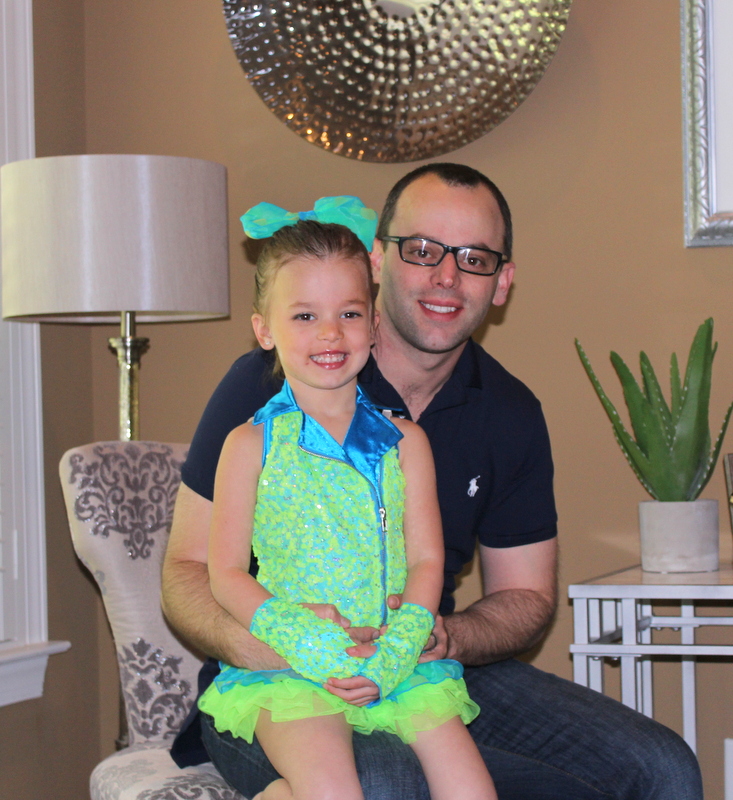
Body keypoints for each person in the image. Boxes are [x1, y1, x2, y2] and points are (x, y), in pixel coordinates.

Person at [163, 163, 703, 799]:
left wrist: (444, 635)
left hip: (423, 660)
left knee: (663, 768)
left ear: (502, 282)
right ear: (378, 259)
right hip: (275, 673)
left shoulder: (509, 412)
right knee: (386, 781)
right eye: (422, 249)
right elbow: (187, 572)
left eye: (474, 258)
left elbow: (526, 597)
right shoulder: (270, 385)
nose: (447, 276)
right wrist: (283, 646)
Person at [197, 204, 497, 800]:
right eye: (305, 315)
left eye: (349, 313)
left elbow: (427, 560)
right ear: (264, 330)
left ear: (374, 325)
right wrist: (310, 644)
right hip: (294, 666)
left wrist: (397, 649)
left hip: (398, 663)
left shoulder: (405, 442)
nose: (331, 333)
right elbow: (224, 573)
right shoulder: (250, 446)